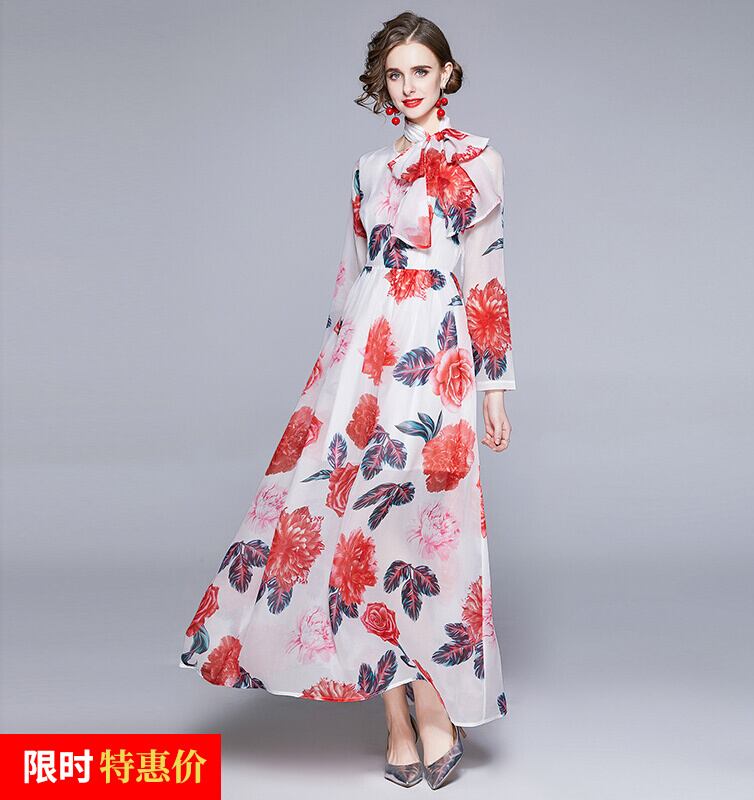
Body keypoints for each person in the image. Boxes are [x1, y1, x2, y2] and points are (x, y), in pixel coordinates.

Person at [179, 11, 516, 790]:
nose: (408, 87)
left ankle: (435, 703)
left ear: (447, 74)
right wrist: (327, 380)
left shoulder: (479, 160)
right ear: (382, 83)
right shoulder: (367, 169)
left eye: (421, 71)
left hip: (437, 353)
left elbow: (488, 277)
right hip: (363, 355)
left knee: (429, 526)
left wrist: (496, 388)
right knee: (356, 526)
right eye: (394, 75)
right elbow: (350, 274)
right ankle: (395, 715)